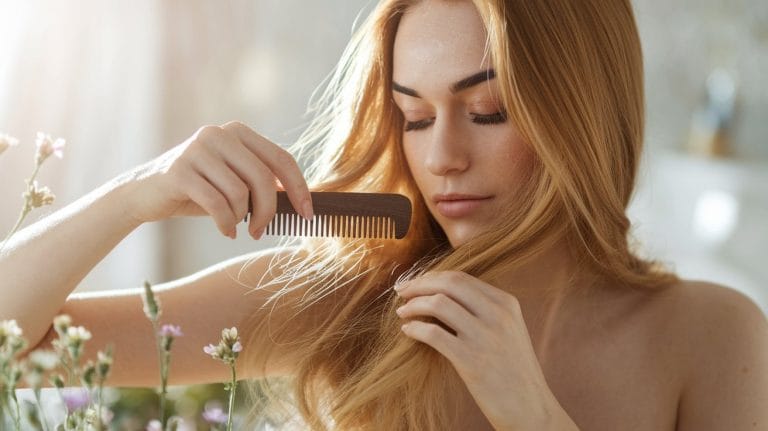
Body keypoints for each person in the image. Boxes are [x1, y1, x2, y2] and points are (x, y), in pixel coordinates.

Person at [2, 0, 767, 430]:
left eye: (489, 110)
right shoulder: (354, 302)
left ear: (583, 110)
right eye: (415, 116)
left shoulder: (711, 335)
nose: (444, 158)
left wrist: (532, 411)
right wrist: (137, 192)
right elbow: (12, 347)